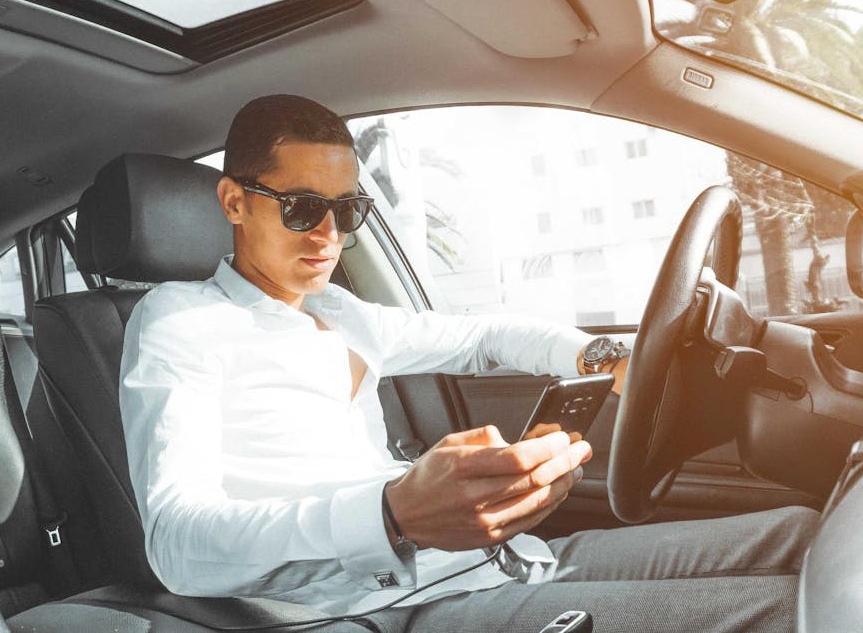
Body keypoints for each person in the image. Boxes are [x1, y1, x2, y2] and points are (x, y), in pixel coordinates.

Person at [119, 94, 819, 632]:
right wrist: (393, 515)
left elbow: (483, 336)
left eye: (347, 208)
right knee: (792, 612)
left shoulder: (344, 313)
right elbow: (177, 545)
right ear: (234, 201)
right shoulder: (179, 321)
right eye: (303, 208)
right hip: (388, 608)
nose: (330, 236)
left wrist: (602, 357)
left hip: (499, 561)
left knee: (800, 534)